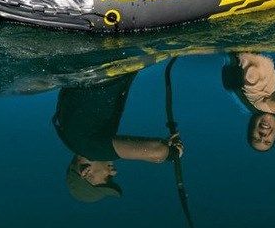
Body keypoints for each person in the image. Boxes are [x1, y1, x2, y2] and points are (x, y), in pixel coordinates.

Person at [53, 73, 184, 203]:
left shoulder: (91, 149)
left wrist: (172, 154)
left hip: (106, 72)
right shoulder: (69, 137)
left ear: (86, 172)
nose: (114, 173)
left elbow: (157, 151)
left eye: (107, 178)